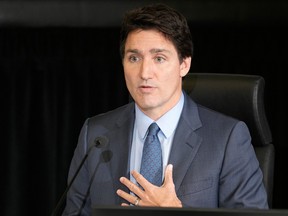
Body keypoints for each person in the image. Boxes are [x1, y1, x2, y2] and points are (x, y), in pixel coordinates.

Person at [62, 3, 268, 215]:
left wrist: (175, 212)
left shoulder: (227, 140)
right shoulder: (96, 134)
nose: (144, 73)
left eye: (159, 58)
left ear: (184, 64)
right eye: (134, 58)